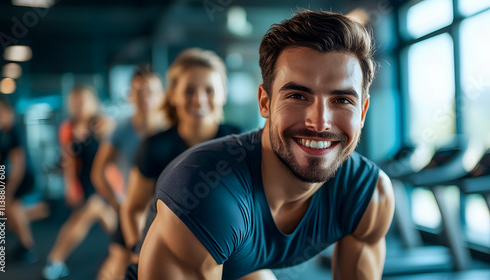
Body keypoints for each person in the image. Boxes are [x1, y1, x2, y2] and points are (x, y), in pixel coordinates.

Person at [138, 10, 395, 280]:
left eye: (342, 100)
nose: (320, 123)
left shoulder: (369, 194)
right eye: (298, 95)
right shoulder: (204, 194)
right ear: (265, 102)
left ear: (363, 112)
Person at [120, 48, 241, 274]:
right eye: (189, 90)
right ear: (173, 95)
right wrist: (137, 251)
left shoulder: (240, 144)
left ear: (223, 94)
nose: (199, 99)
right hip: (170, 258)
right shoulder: (155, 147)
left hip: (228, 257)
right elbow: (133, 208)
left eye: (209, 90)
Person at [91, 64, 167, 280]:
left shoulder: (170, 130)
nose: (145, 98)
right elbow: (98, 173)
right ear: (130, 96)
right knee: (117, 267)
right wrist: (118, 204)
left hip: (166, 212)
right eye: (139, 92)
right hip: (132, 209)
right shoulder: (121, 129)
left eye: (151, 92)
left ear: (162, 96)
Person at [43, 85, 116, 280]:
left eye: (84, 100)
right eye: (75, 101)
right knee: (113, 225)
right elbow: (68, 162)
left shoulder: (104, 124)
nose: (80, 105)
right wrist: (70, 187)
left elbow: (116, 157)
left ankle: (56, 259)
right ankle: (132, 249)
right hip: (85, 184)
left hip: (106, 185)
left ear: (93, 102)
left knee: (88, 214)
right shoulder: (68, 128)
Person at [0, 96, 37, 263]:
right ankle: (23, 234)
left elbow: (18, 167)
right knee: (2, 208)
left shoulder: (15, 130)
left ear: (8, 111)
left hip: (22, 177)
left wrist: (7, 193)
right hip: (3, 177)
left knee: (10, 205)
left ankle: (27, 247)